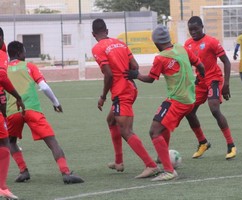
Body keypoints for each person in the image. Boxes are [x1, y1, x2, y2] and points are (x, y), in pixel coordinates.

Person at [125, 24, 205, 181]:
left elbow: (150, 79)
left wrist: (136, 75)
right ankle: (163, 158)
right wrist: (199, 79)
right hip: (189, 100)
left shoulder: (161, 58)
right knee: (163, 126)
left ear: (156, 42)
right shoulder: (182, 49)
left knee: (154, 131)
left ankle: (169, 171)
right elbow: (200, 65)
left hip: (177, 100)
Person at [6, 41, 84, 184]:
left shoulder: (3, 69)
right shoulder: (29, 67)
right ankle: (65, 172)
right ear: (19, 53)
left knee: (11, 141)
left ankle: (23, 171)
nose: (26, 54)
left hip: (13, 112)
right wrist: (56, 103)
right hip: (32, 109)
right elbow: (44, 87)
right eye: (24, 51)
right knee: (51, 141)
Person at [91, 18, 159, 178]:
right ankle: (119, 162)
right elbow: (134, 66)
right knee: (111, 120)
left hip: (122, 92)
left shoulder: (97, 48)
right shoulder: (120, 43)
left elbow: (108, 74)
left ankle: (151, 165)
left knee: (126, 130)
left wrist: (102, 96)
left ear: (93, 34)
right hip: (131, 88)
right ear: (107, 31)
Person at [184, 16, 236, 160]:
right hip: (199, 82)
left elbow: (226, 62)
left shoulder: (211, 42)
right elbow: (187, 64)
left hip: (213, 79)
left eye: (196, 29)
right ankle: (203, 142)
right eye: (191, 30)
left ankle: (231, 145)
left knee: (214, 109)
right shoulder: (187, 44)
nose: (193, 32)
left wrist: (226, 84)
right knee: (189, 111)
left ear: (202, 27)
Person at [0, 28, 25, 200]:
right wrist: (17, 96)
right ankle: (2, 187)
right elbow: (1, 76)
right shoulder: (1, 55)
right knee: (4, 142)